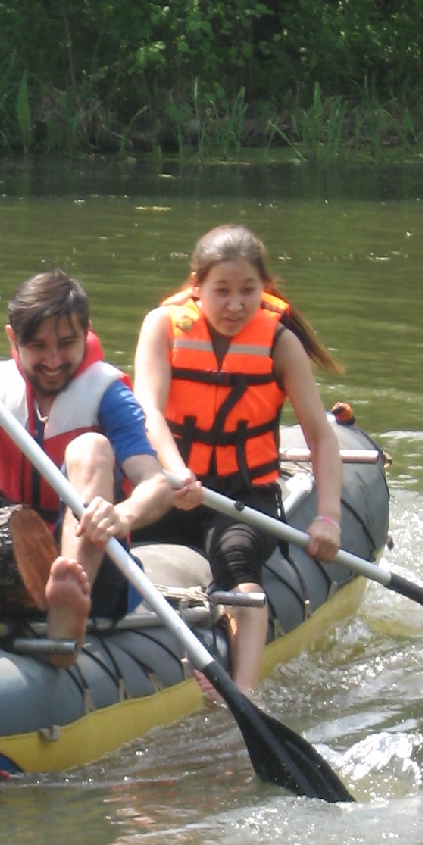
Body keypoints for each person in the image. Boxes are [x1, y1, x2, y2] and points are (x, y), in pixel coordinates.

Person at [132, 223, 344, 694]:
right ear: (196, 286)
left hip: (243, 496)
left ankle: (243, 692)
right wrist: (175, 471)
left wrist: (328, 517)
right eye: (222, 291)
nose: (235, 304)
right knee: (114, 538)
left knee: (237, 559)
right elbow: (148, 409)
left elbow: (320, 437)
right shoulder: (163, 326)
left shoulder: (279, 342)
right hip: (175, 485)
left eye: (248, 291)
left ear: (264, 290)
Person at [0, 270, 177, 659]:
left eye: (66, 343)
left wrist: (122, 515)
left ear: (86, 333)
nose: (54, 359)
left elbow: (156, 485)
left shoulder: (109, 395)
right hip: (11, 557)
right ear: (13, 338)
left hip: (97, 566)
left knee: (90, 447)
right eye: (38, 346)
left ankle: (68, 607)